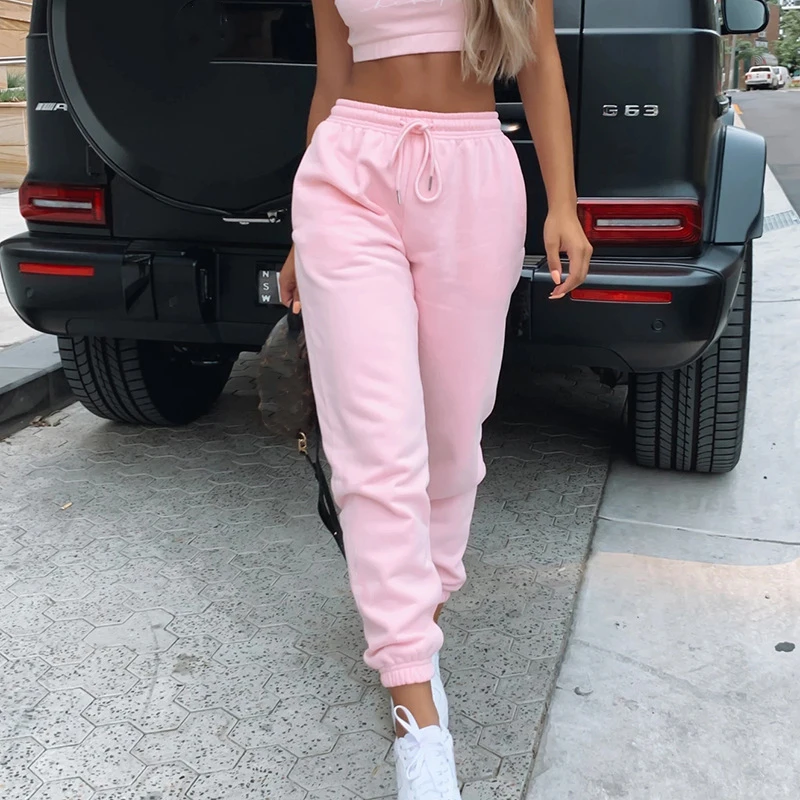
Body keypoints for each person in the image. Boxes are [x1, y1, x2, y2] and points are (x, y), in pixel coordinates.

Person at [279, 0, 591, 795]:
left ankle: (418, 618)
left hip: (473, 175)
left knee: (453, 436)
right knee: (375, 446)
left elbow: (540, 63)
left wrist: (563, 203)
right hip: (346, 180)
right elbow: (332, 80)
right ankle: (416, 708)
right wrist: (298, 239)